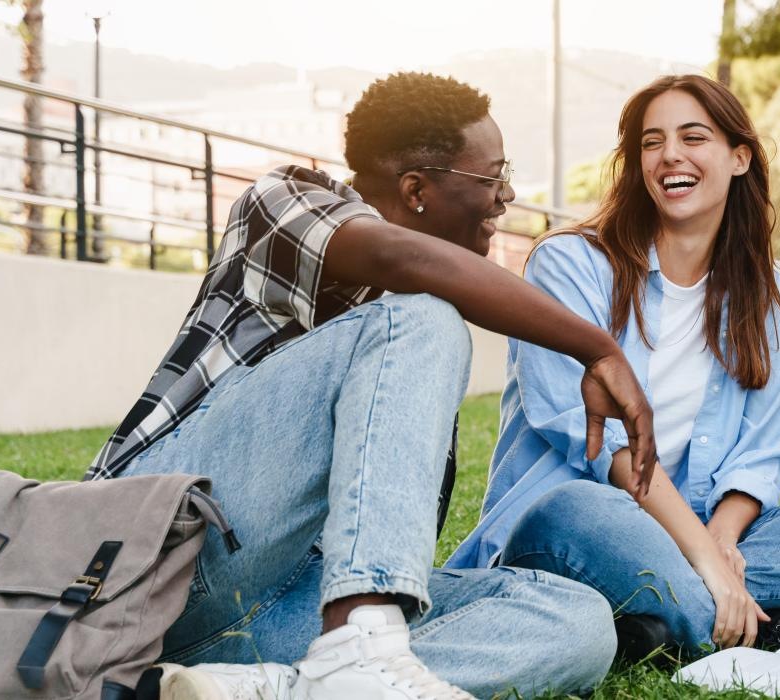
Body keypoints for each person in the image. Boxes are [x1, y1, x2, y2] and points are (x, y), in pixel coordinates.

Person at [99, 73, 658, 700]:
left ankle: (268, 687)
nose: (506, 197)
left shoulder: (405, 348)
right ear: (416, 189)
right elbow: (402, 259)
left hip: (283, 604)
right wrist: (599, 349)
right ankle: (356, 650)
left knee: (575, 621)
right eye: (491, 177)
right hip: (156, 564)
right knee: (424, 315)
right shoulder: (280, 202)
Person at [448, 74, 780, 657]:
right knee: (578, 509)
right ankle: (759, 627)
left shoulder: (766, 294)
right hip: (581, 524)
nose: (670, 155)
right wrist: (704, 556)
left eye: (694, 137)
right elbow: (596, 446)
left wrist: (720, 543)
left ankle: (659, 625)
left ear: (739, 157)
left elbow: (763, 452)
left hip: (694, 535)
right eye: (652, 142)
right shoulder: (568, 265)